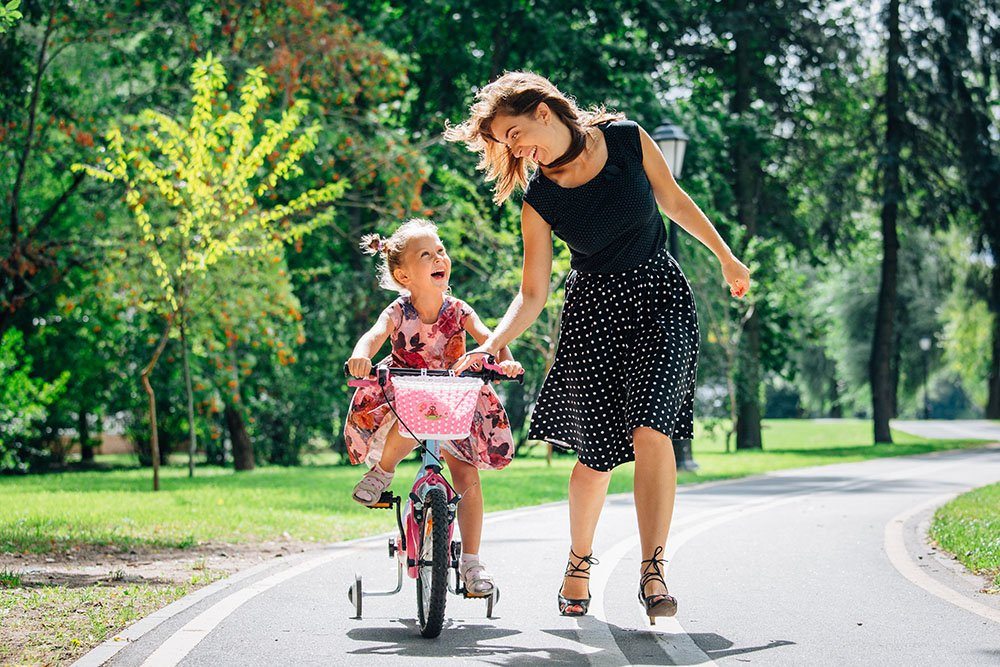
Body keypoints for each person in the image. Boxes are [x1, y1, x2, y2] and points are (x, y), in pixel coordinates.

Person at [446, 72, 751, 622]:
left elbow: (674, 201)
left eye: (514, 134)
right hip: (594, 317)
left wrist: (726, 257)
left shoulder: (628, 139)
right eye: (505, 144)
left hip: (660, 299)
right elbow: (532, 293)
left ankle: (653, 570)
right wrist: (492, 344)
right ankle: (579, 560)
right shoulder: (540, 200)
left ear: (543, 111)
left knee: (653, 428)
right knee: (596, 457)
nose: (516, 150)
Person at [344, 218, 523, 595]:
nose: (439, 257)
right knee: (409, 425)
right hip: (409, 392)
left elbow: (490, 339)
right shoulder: (398, 311)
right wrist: (361, 355)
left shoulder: (459, 310)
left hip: (456, 398)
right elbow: (374, 335)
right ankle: (382, 472)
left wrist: (505, 362)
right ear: (404, 275)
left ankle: (471, 562)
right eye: (426, 254)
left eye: (440, 251)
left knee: (467, 478)